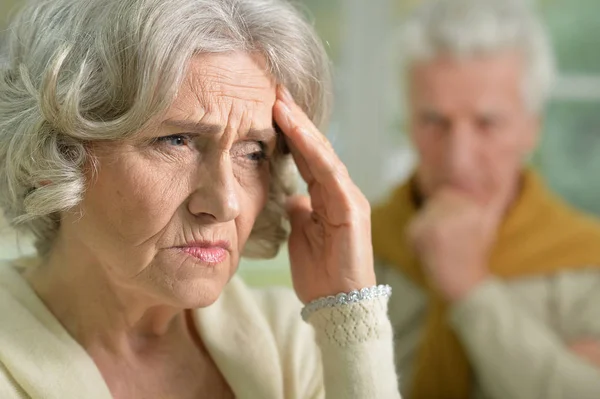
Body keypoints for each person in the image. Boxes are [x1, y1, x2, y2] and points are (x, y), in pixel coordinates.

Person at [0, 0, 401, 398]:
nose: (226, 202)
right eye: (176, 140)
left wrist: (352, 311)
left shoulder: (296, 341)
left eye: (253, 151)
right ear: (53, 152)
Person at [371, 0, 600, 398]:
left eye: (487, 123)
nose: (458, 158)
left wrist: (470, 290)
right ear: (408, 120)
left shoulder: (587, 260)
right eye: (434, 121)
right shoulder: (362, 242)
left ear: (533, 128)